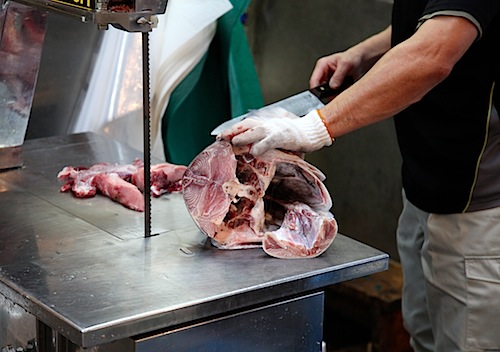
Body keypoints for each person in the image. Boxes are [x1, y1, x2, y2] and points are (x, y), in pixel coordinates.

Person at [219, 1, 500, 351]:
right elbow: (429, 16)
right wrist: (364, 53)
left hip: (477, 210)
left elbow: (432, 54)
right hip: (423, 188)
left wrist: (316, 128)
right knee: (424, 337)